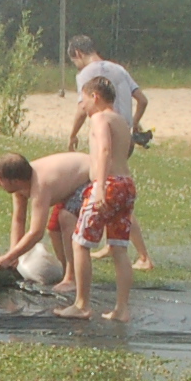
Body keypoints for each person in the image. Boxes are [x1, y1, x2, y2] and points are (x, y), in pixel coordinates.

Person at [63, 35, 154, 269]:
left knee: (108, 188)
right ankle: (113, 244)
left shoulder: (85, 75)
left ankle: (143, 256)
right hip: (125, 135)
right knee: (119, 192)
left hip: (107, 136)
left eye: (75, 61)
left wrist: (73, 135)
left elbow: (83, 110)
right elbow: (142, 100)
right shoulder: (119, 69)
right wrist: (132, 124)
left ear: (78, 55)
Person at [61, 75, 137, 321]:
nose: (82, 105)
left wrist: (101, 186)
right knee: (119, 248)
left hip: (109, 184)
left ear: (95, 97)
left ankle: (81, 304)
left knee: (80, 242)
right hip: (126, 184)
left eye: (83, 99)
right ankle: (121, 309)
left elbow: (104, 150)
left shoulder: (99, 118)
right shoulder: (122, 121)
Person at [0, 150, 91, 276]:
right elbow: (19, 220)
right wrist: (13, 256)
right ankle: (67, 272)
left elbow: (36, 232)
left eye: (0, 179)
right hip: (73, 181)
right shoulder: (21, 182)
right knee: (54, 230)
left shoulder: (40, 186)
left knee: (66, 218)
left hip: (92, 176)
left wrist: (8, 257)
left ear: (15, 181)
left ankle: (72, 277)